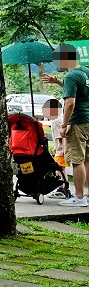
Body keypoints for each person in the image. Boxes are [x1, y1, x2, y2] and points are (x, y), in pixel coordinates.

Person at [41, 43, 89, 207]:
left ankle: (79, 197)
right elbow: (80, 90)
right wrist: (58, 82)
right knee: (87, 160)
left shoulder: (71, 76)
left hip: (78, 122)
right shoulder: (85, 72)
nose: (57, 64)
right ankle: (87, 195)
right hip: (88, 121)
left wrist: (64, 125)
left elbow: (70, 103)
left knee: (77, 160)